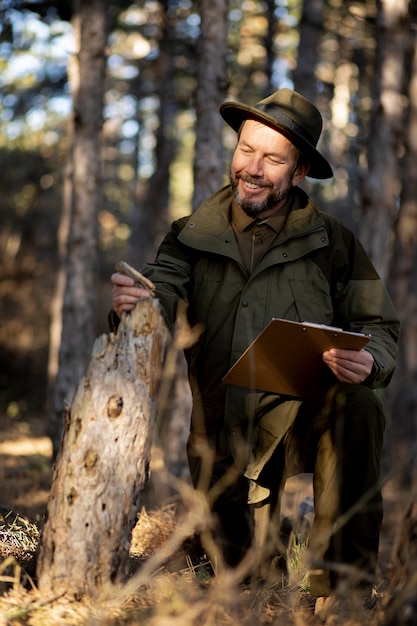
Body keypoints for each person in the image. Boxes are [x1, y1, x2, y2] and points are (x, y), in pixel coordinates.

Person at [109, 89, 400, 606]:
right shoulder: (190, 236)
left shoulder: (334, 242)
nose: (254, 168)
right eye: (247, 150)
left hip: (304, 418)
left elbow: (379, 325)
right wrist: (134, 305)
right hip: (224, 434)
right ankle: (280, 542)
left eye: (273, 158)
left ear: (301, 169)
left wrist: (370, 358)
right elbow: (161, 295)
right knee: (242, 583)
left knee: (356, 406)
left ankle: (345, 591)